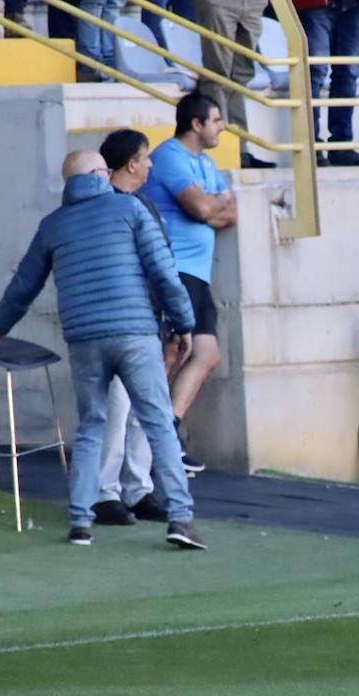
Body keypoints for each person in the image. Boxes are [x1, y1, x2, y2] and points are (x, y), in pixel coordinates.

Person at [0, 150, 206, 550]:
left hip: (84, 339)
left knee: (91, 427)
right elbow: (163, 272)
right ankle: (181, 519)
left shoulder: (52, 225)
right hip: (135, 332)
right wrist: (185, 322)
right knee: (157, 423)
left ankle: (81, 521)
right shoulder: (130, 209)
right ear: (101, 175)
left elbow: (23, 287)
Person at [141, 92, 238, 474]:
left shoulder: (206, 162)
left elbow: (231, 214)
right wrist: (212, 205)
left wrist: (213, 206)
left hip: (197, 275)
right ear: (196, 124)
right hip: (173, 271)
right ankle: (144, 438)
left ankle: (168, 427)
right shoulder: (169, 157)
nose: (221, 128)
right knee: (171, 353)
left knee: (207, 354)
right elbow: (201, 208)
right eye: (216, 121)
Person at [92, 128, 172, 526]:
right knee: (115, 411)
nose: (151, 164)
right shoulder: (101, 209)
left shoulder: (146, 206)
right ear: (131, 164)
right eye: (145, 157)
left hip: (147, 324)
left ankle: (138, 489)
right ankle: (103, 493)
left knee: (144, 410)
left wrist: (170, 321)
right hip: (113, 325)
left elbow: (162, 265)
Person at [191, 0, 275, 168]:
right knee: (217, 75)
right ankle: (221, 149)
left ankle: (240, 151)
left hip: (253, 5)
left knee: (241, 76)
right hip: (220, 3)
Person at [295, 0, 359, 167]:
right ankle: (311, 147)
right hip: (314, 5)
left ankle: (341, 146)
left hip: (355, 5)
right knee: (314, 72)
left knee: (349, 72)